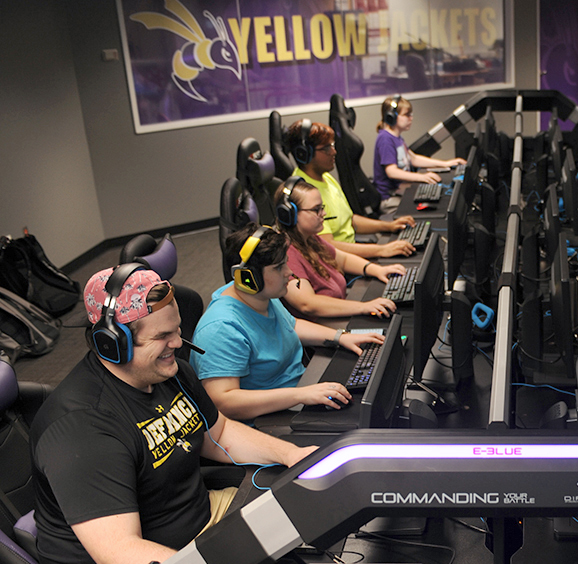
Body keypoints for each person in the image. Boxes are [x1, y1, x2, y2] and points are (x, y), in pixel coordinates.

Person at [31, 265, 318, 564]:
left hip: (201, 518)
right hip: (154, 555)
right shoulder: (83, 428)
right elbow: (119, 552)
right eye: (162, 336)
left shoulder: (169, 373)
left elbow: (218, 433)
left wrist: (291, 455)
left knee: (304, 512)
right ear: (112, 344)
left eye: (177, 329)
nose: (179, 343)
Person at [191, 224, 383, 420]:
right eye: (278, 267)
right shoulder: (220, 329)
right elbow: (224, 402)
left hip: (299, 393)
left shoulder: (260, 294)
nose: (289, 272)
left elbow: (290, 325)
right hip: (268, 420)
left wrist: (341, 337)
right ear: (248, 278)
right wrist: (301, 395)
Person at [276, 177, 405, 321]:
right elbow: (307, 304)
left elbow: (342, 259)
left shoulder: (310, 239)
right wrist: (363, 307)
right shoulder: (286, 253)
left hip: (336, 318)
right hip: (321, 330)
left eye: (322, 208)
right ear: (289, 214)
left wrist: (376, 270)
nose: (323, 214)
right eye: (316, 210)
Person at [284, 119, 416, 259]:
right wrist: (381, 250)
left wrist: (389, 226)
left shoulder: (326, 177)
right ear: (304, 154)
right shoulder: (304, 193)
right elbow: (328, 246)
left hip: (352, 250)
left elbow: (350, 220)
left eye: (332, 145)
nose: (334, 151)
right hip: (340, 263)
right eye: (326, 148)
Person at [372, 95, 466, 202]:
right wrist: (421, 177)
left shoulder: (396, 137)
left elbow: (414, 158)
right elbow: (392, 172)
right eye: (407, 115)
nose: (411, 118)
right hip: (389, 199)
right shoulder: (385, 139)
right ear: (391, 117)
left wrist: (446, 163)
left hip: (400, 191)